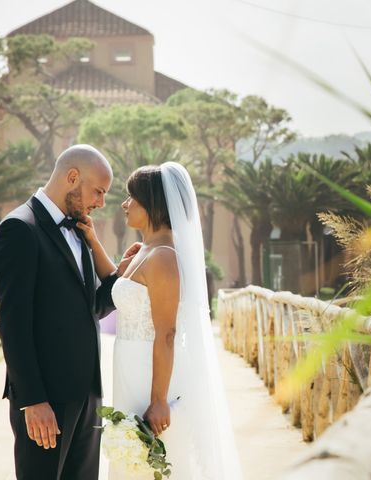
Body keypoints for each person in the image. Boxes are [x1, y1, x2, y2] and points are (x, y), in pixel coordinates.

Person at [78, 162, 243, 479]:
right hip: (130, 368)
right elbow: (115, 283)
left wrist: (158, 401)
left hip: (151, 374)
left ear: (153, 204)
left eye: (131, 198)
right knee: (132, 463)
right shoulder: (145, 250)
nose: (124, 205)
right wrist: (92, 239)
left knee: (152, 462)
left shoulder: (164, 257)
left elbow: (166, 333)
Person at [0, 144, 139, 480]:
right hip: (47, 402)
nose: (100, 202)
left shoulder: (80, 229)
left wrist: (120, 278)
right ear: (72, 177)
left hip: (87, 400)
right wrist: (33, 401)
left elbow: (91, 307)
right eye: (98, 191)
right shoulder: (18, 230)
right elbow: (14, 325)